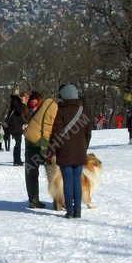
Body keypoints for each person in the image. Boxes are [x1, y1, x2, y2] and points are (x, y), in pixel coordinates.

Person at [48, 84, 92, 219]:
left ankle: (70, 212)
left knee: (67, 181)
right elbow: (88, 132)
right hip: (79, 151)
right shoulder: (83, 110)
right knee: (77, 181)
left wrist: (52, 150)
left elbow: (56, 133)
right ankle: (78, 211)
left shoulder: (60, 111)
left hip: (65, 151)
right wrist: (84, 147)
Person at [23, 91, 57, 209]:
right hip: (37, 144)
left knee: (49, 173)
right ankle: (36, 200)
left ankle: (53, 200)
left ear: (39, 99)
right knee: (40, 173)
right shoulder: (31, 109)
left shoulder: (42, 109)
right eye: (30, 100)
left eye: (34, 99)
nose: (32, 102)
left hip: (38, 144)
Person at [4, 89, 27, 165]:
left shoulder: (15, 101)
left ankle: (17, 160)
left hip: (16, 125)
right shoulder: (16, 100)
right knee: (18, 143)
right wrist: (23, 104)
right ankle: (17, 161)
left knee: (18, 143)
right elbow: (20, 111)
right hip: (15, 126)